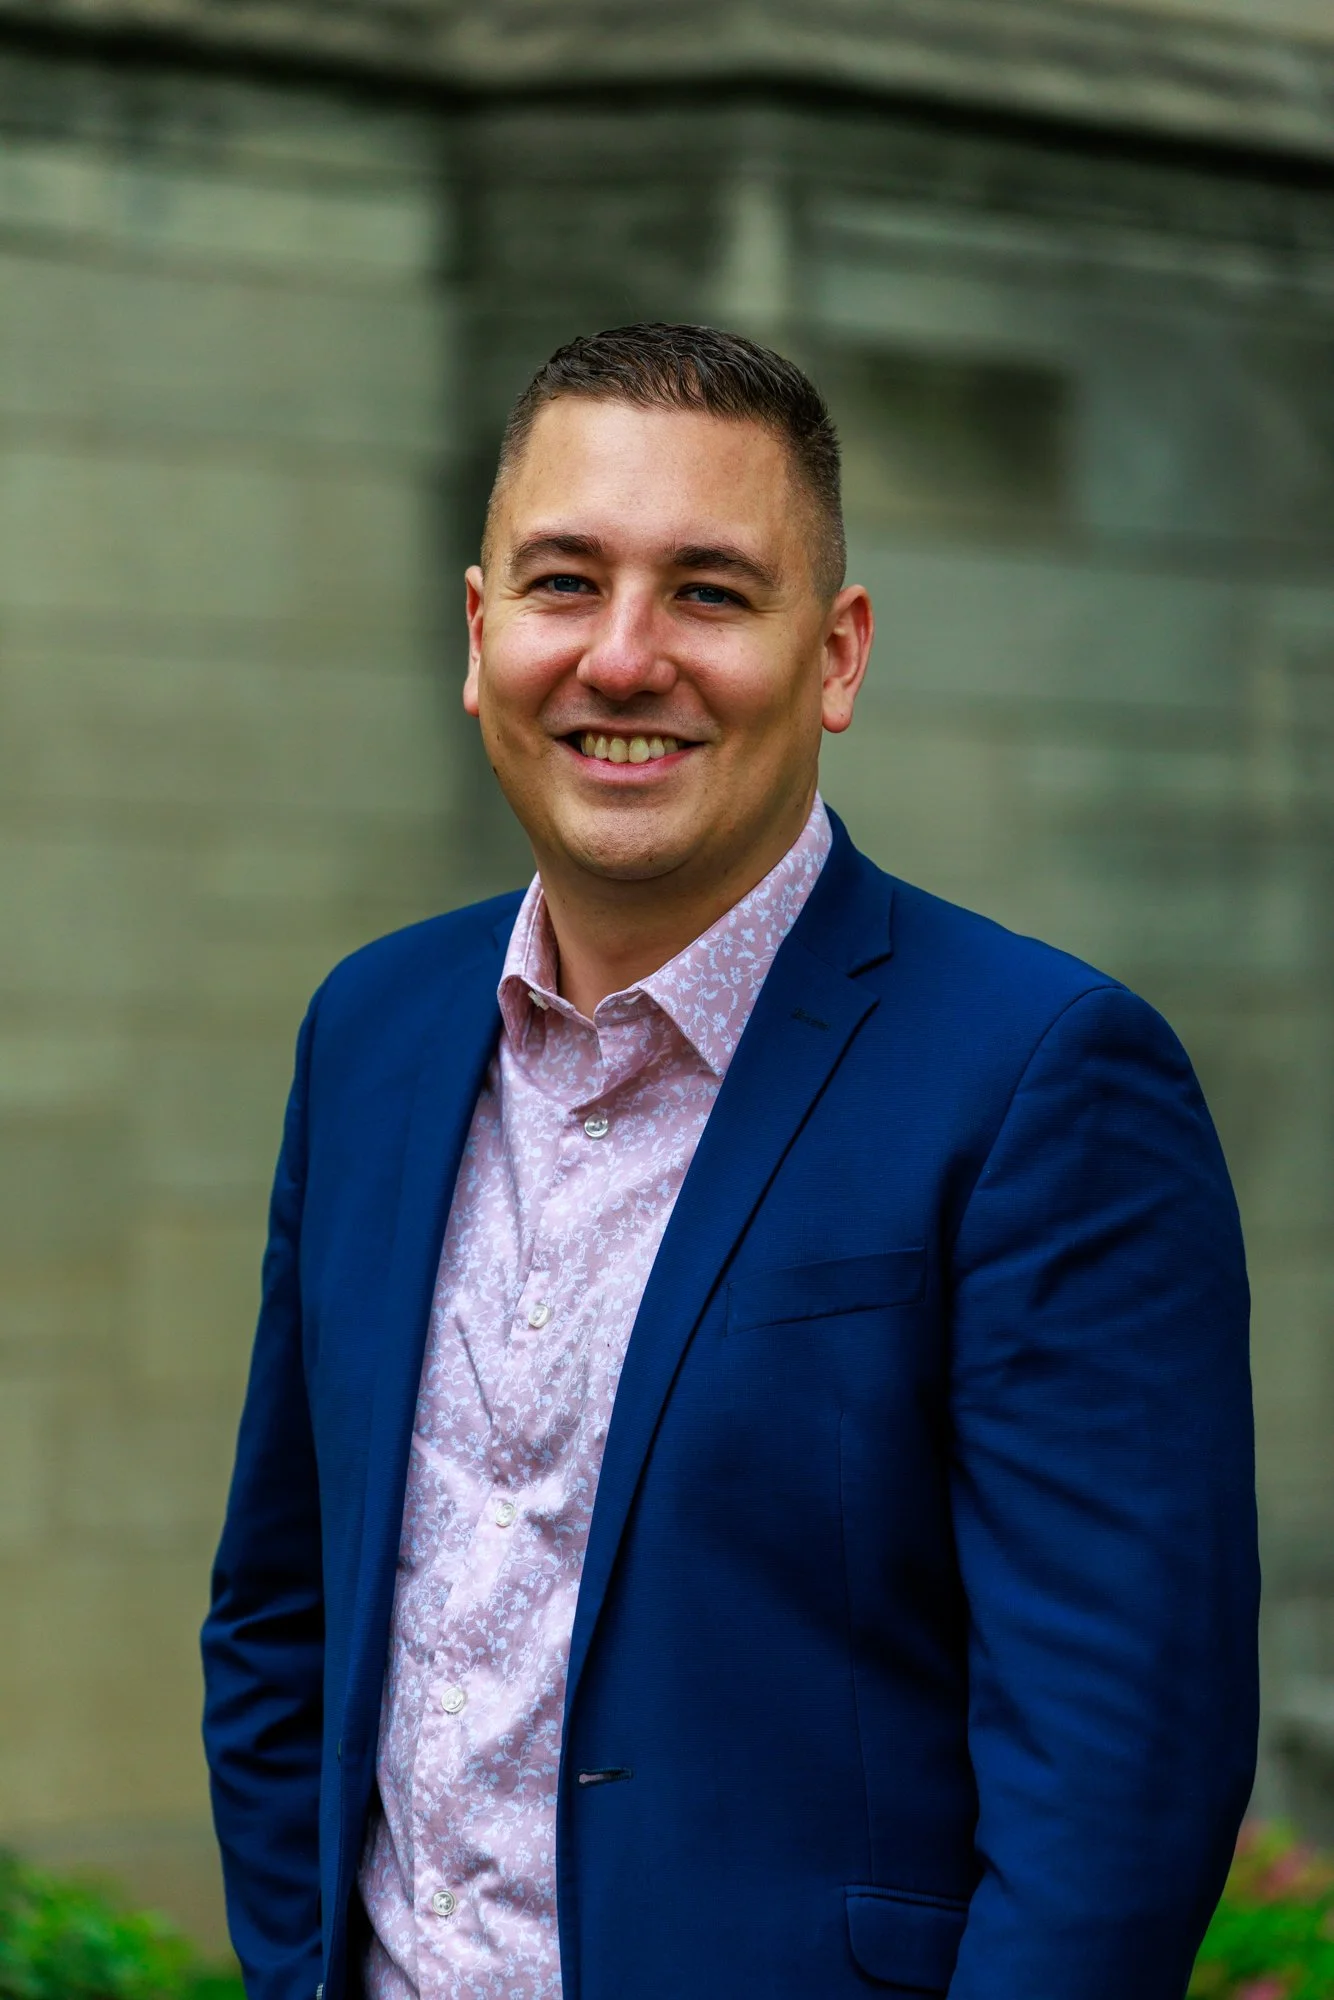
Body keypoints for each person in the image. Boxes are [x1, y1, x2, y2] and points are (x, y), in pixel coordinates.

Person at [202, 323, 1259, 2000]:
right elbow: (280, 1612)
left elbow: (1118, 1776)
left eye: (706, 591)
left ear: (832, 656)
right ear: (480, 638)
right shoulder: (372, 1033)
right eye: (564, 583)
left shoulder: (1043, 1077)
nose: (622, 660)